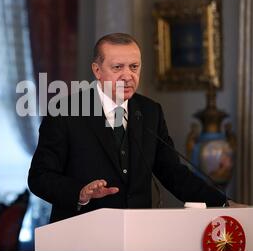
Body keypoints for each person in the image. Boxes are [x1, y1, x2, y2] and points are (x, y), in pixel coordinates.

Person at [28, 33, 234, 223]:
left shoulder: (150, 111)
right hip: (82, 233)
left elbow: (173, 173)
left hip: (137, 233)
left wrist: (224, 203)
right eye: (118, 67)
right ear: (97, 70)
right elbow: (39, 177)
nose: (128, 76)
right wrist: (80, 192)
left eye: (134, 67)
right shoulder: (64, 112)